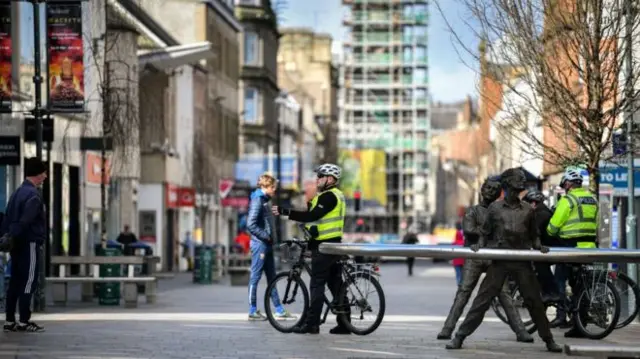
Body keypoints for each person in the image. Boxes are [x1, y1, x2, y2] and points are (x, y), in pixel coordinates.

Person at [445, 168, 561, 352]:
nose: (522, 180)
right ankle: (459, 336)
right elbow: (484, 232)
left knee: (534, 302)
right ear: (508, 183)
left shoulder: (527, 210)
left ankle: (549, 340)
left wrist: (539, 246)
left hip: (522, 262)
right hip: (500, 262)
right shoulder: (495, 209)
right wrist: (479, 246)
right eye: (518, 178)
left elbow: (534, 235)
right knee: (481, 301)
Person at [437, 178, 532, 343]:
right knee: (463, 292)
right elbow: (469, 230)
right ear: (482, 189)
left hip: (493, 257)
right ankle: (447, 328)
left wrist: (484, 232)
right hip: (475, 257)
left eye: (494, 189)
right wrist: (488, 232)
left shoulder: (499, 211)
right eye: (487, 188)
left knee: (504, 294)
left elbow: (504, 231)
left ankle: (521, 331)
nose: (490, 191)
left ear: (498, 193)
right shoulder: (472, 211)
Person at [272, 163, 351, 335]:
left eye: (321, 176)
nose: (317, 179)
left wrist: (286, 211)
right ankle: (345, 324)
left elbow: (312, 216)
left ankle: (312, 324)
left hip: (324, 247)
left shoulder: (329, 196)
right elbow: (315, 218)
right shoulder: (334, 196)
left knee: (317, 285)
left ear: (330, 179)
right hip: (332, 245)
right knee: (336, 285)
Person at [546, 168, 598, 336]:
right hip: (589, 246)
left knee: (559, 280)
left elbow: (554, 226)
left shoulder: (568, 200)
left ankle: (561, 315)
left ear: (568, 184)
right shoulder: (592, 198)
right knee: (580, 286)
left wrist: (550, 232)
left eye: (564, 185)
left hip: (570, 246)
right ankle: (579, 324)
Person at [0, 157, 48, 332]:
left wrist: (8, 237)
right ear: (37, 174)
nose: (45, 176)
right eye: (43, 173)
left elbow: (7, 217)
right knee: (29, 280)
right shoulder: (33, 195)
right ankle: (25, 320)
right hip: (30, 243)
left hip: (16, 245)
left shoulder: (17, 193)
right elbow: (26, 220)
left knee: (15, 281)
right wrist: (16, 233)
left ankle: (10, 320)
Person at [246, 174, 290, 321]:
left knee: (272, 277)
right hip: (260, 245)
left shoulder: (264, 200)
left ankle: (279, 309)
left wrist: (270, 239)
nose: (274, 191)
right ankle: (252, 311)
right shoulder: (258, 200)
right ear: (264, 186)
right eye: (272, 188)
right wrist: (266, 236)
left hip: (267, 245)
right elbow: (250, 224)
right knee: (255, 277)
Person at [522, 189, 561, 304]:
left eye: (527, 204)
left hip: (552, 248)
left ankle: (551, 292)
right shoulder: (541, 212)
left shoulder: (541, 214)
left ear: (533, 203)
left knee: (540, 264)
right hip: (550, 246)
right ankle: (548, 293)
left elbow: (534, 233)